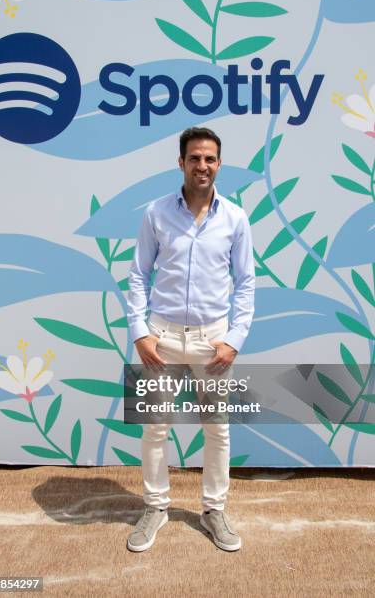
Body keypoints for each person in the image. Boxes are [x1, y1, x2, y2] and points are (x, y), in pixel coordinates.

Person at [126, 127, 255, 552]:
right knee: (155, 428)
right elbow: (137, 275)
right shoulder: (156, 213)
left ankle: (214, 510)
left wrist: (233, 339)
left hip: (213, 341)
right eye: (195, 158)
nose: (203, 165)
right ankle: (155, 507)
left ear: (219, 164)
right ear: (181, 162)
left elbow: (246, 283)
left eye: (210, 159)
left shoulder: (235, 218)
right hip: (160, 339)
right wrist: (141, 332)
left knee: (216, 430)